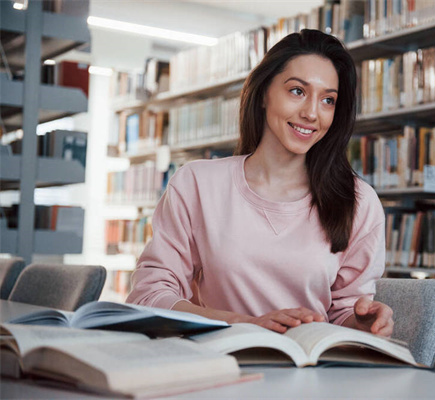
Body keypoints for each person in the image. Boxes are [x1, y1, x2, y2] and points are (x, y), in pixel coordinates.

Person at [126, 29, 393, 337]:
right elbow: (150, 295)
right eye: (297, 91)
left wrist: (361, 323)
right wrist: (244, 325)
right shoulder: (198, 184)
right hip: (221, 363)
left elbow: (344, 312)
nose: (311, 113)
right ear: (265, 92)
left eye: (328, 100)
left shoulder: (358, 201)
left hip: (310, 372)